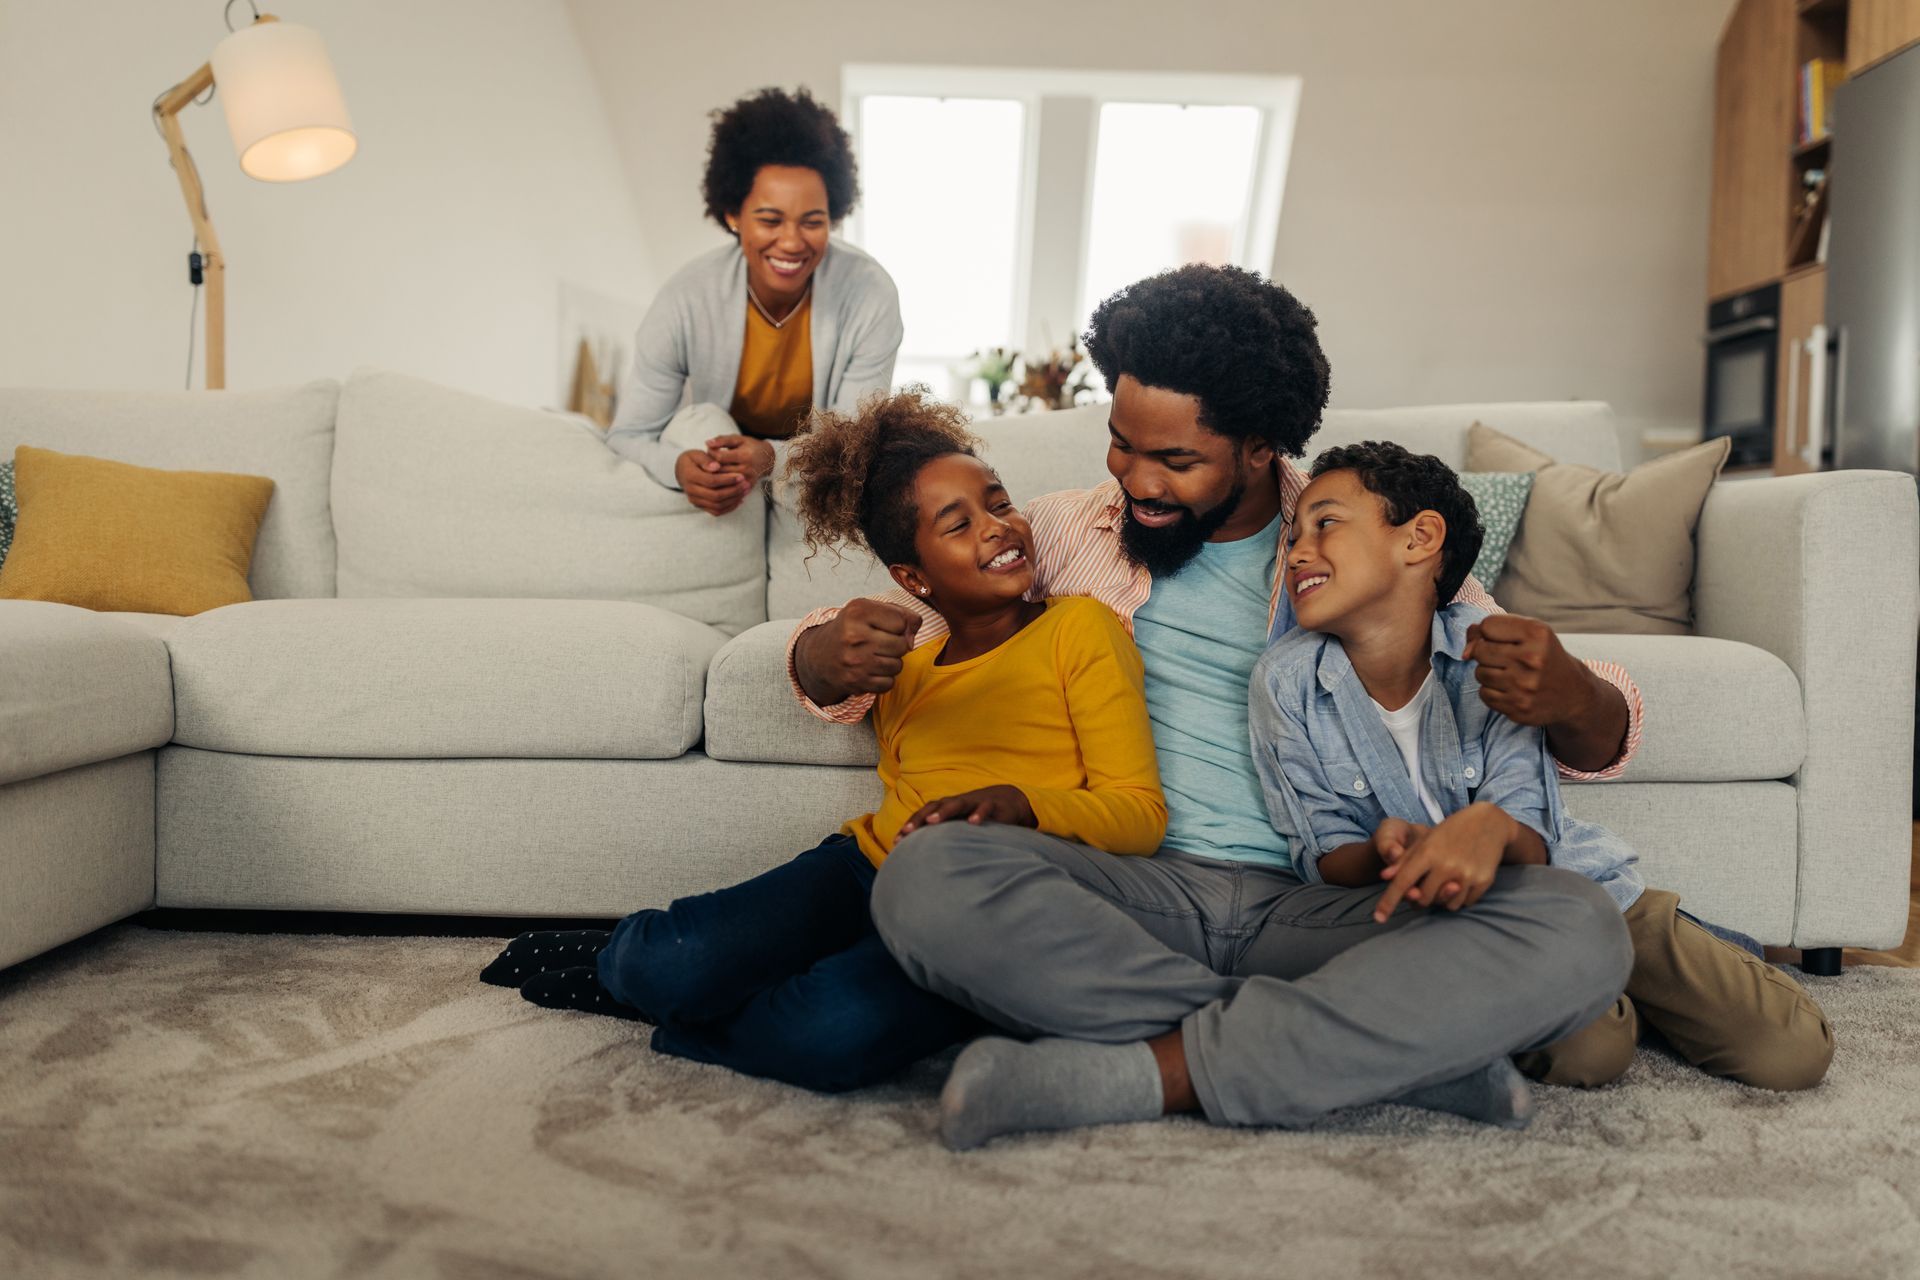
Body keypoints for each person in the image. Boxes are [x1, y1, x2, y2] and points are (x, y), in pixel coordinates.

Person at [787, 264, 1643, 1150]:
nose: (1136, 480)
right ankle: (1390, 1052)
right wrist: (824, 655)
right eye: (1123, 443)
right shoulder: (1065, 532)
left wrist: (1574, 690)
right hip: (1123, 896)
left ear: (1261, 446)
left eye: (1176, 460)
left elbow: (1593, 731)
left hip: (1322, 910)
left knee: (1578, 927)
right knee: (928, 876)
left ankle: (1148, 1072)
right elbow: (902, 630)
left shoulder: (1346, 540)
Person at [480, 391, 1166, 1094]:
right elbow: (821, 667)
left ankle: (682, 1018)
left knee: (830, 1034)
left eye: (998, 503)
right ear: (913, 578)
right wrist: (819, 651)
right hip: (867, 867)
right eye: (958, 524)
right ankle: (620, 966)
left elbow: (1140, 815)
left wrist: (1024, 805)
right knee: (668, 961)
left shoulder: (1079, 628)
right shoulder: (904, 661)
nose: (996, 528)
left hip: (984, 911)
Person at [1247, 441, 1832, 1092]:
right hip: (1457, 931)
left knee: (1792, 1053)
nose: (1297, 550)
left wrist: (1490, 829)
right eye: (1290, 536)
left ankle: (1690, 959)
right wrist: (1381, 851)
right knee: (1589, 1053)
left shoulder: (1492, 654)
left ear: (1419, 539)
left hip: (1577, 890)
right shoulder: (1286, 683)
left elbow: (1532, 822)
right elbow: (1320, 849)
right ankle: (1628, 1003)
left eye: (1325, 524)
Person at [606, 87, 903, 516]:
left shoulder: (869, 294)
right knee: (700, 425)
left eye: (812, 222)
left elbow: (853, 445)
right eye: (769, 219)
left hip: (816, 476)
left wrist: (770, 457)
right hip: (719, 456)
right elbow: (627, 435)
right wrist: (676, 468)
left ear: (833, 217)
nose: (791, 241)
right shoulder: (685, 298)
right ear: (732, 215)